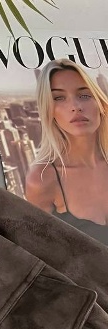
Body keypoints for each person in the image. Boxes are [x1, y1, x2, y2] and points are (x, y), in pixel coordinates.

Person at [25, 57, 108, 245]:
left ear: (100, 104)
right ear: (49, 111)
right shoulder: (42, 178)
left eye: (84, 95)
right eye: (59, 98)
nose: (75, 107)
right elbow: (42, 251)